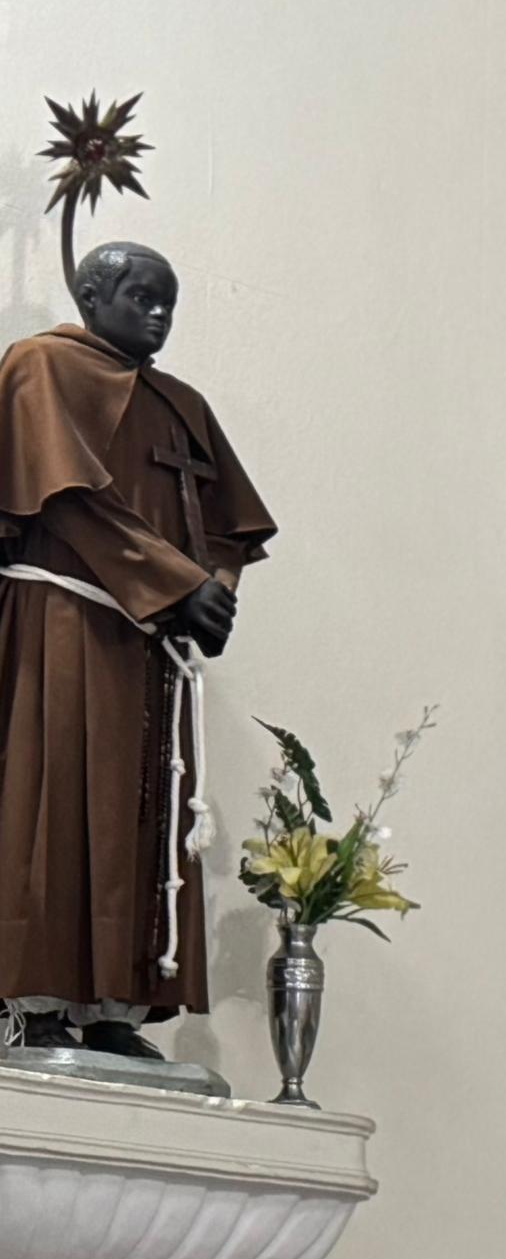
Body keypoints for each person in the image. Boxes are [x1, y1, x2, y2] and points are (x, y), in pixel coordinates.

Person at [0, 240, 276, 1051]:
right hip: (62, 620)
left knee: (137, 819)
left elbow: (229, 523)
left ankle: (113, 1008)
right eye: (141, 296)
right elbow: (69, 499)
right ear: (92, 296)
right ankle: (35, 998)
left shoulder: (179, 404)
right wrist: (178, 586)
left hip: (149, 646)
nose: (159, 314)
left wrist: (216, 592)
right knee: (49, 806)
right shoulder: (38, 369)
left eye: (170, 301)